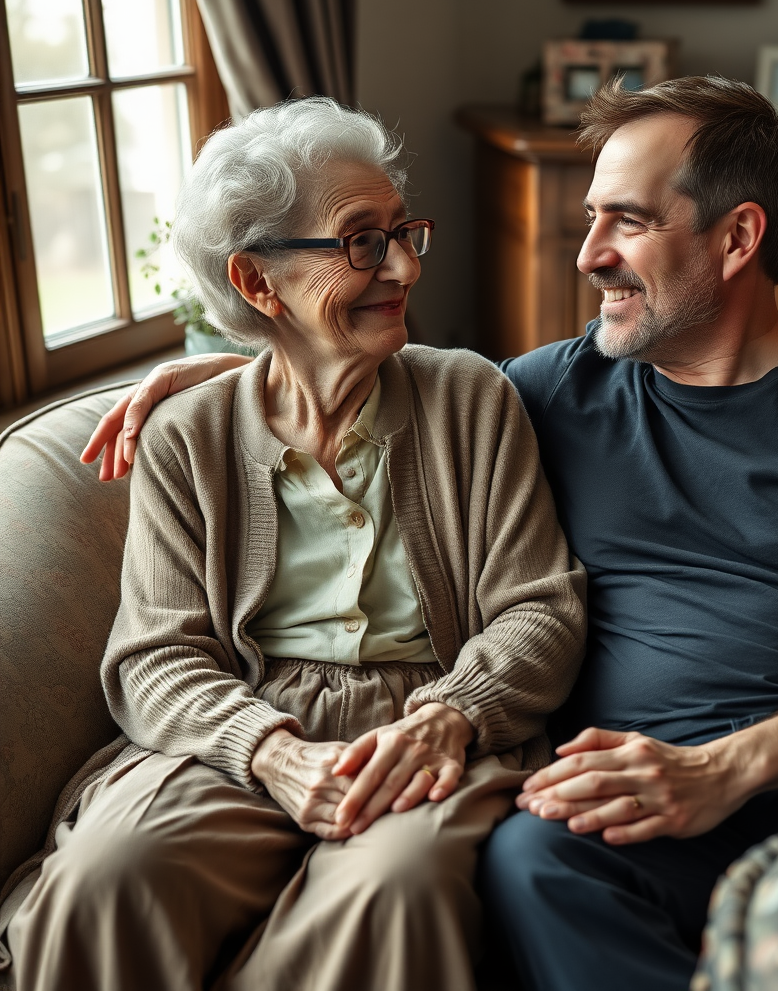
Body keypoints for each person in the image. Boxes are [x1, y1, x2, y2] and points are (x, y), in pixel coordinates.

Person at [77, 77, 778, 990]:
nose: (588, 255)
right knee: (530, 863)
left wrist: (723, 768)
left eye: (625, 221)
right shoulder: (544, 390)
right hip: (625, 786)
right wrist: (228, 368)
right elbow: (357, 374)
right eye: (590, 218)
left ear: (739, 237)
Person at [3, 97, 586, 991]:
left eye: (401, 232)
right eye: (360, 241)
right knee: (108, 878)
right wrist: (270, 751)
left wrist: (450, 715)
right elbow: (156, 655)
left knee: (398, 887)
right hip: (240, 727)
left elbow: (539, 607)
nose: (401, 268)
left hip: (427, 724)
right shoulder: (187, 435)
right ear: (256, 283)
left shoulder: (470, 397)